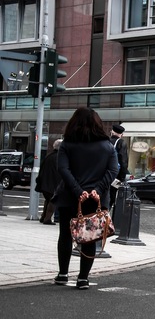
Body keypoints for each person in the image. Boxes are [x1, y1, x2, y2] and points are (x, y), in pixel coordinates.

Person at [53, 107, 118, 290]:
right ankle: (83, 278)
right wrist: (97, 189)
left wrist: (77, 190)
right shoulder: (107, 147)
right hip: (95, 200)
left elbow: (63, 170)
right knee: (90, 237)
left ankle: (63, 274)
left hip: (69, 197)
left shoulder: (67, 145)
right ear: (98, 124)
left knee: (65, 235)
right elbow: (113, 171)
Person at [38, 139, 62, 225]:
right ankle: (47, 219)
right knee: (52, 201)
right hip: (53, 184)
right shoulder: (59, 157)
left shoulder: (49, 156)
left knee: (47, 200)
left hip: (45, 183)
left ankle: (43, 216)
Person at [109, 124, 129, 208]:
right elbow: (123, 161)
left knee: (105, 196)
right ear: (121, 134)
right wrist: (122, 177)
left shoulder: (107, 141)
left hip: (103, 174)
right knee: (113, 197)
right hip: (116, 176)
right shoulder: (121, 143)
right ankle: (108, 218)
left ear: (112, 132)